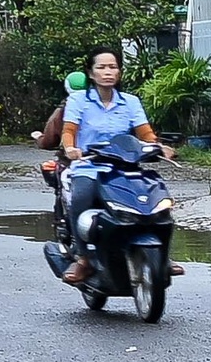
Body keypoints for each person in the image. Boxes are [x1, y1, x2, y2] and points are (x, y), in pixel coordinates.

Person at [50, 51, 160, 279]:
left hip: (125, 169)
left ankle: (161, 254)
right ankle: (83, 259)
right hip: (89, 168)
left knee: (156, 201)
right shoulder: (78, 100)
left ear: (119, 71)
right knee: (81, 198)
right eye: (101, 67)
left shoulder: (131, 102)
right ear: (91, 73)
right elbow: (69, 131)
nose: (108, 72)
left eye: (113, 67)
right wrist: (71, 149)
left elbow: (146, 133)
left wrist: (158, 146)